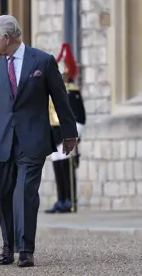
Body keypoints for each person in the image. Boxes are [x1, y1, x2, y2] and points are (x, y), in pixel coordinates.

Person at [0, 15, 78, 267]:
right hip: (1, 143)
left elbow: (61, 99)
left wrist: (69, 134)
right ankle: (8, 244)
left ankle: (25, 249)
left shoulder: (43, 61)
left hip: (33, 141)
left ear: (7, 38)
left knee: (25, 193)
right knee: (2, 195)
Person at [45, 44, 86, 214]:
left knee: (67, 168)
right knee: (58, 168)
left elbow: (80, 117)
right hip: (55, 133)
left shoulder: (72, 92)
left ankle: (70, 200)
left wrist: (73, 136)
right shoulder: (53, 91)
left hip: (66, 132)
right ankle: (61, 199)